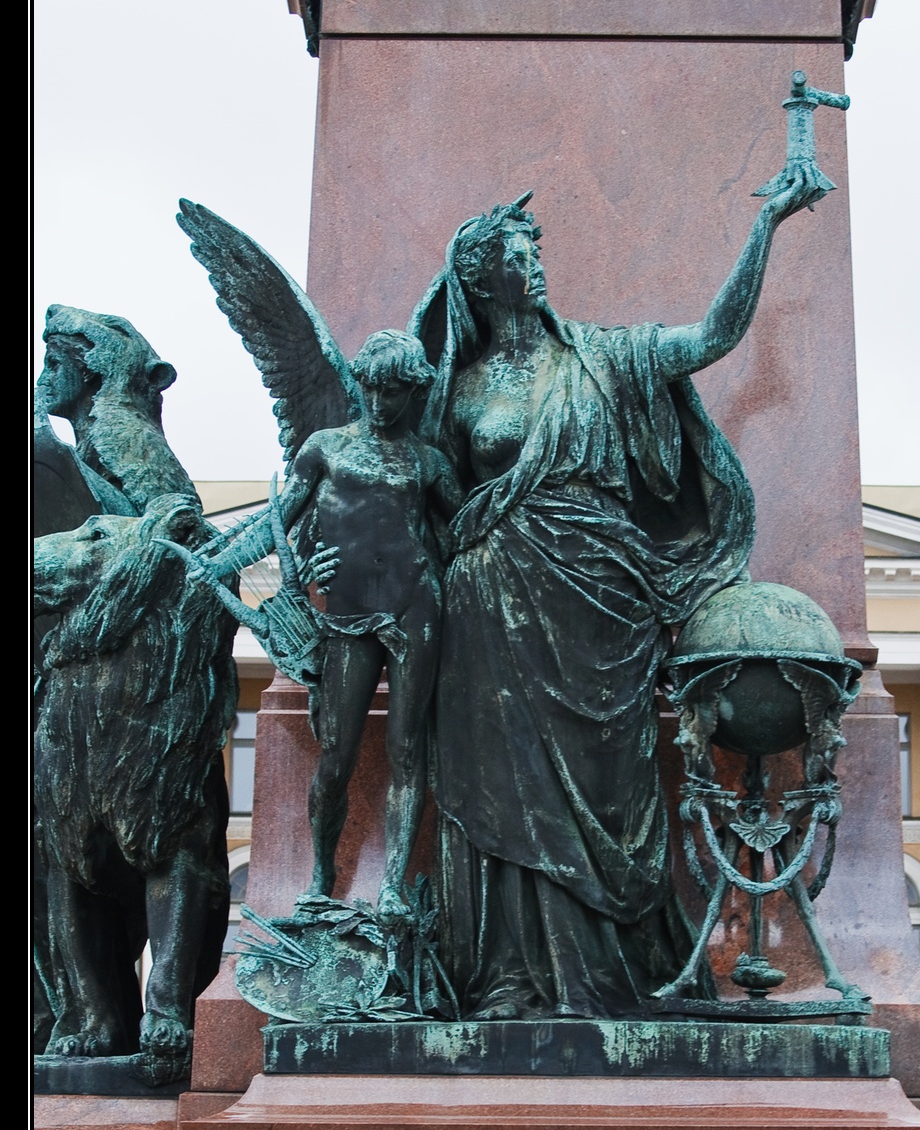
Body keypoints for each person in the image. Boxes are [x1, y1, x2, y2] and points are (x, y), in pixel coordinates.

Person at [412, 177, 821, 1018]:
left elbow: (712, 336)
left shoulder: (607, 356)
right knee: (506, 785)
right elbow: (424, 501)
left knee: (614, 783)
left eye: (535, 250)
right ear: (480, 278)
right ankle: (510, 975)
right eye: (516, 254)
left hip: (602, 598)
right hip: (489, 603)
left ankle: (615, 970)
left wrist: (765, 224)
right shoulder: (460, 389)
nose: (534, 263)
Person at [202, 329, 463, 916]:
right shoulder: (325, 448)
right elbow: (277, 521)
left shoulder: (427, 461)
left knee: (407, 748)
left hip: (415, 610)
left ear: (413, 392)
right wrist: (216, 565)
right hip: (347, 617)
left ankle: (392, 885)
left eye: (392, 391)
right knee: (336, 755)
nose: (379, 401)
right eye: (371, 388)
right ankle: (321, 871)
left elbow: (469, 527)